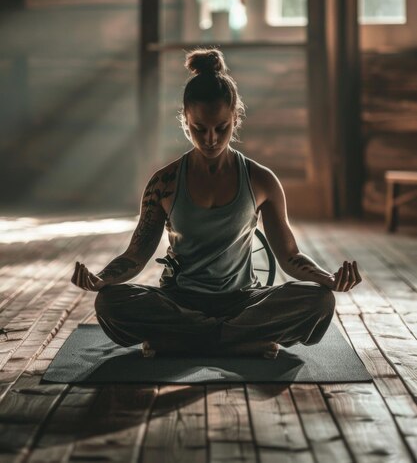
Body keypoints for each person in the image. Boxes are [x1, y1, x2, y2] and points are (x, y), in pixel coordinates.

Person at [71, 46, 362, 359]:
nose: (210, 138)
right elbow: (135, 256)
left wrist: (329, 279)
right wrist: (102, 279)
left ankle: (185, 341)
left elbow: (290, 256)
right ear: (185, 120)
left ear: (235, 119)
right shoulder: (163, 183)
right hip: (179, 302)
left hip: (243, 301)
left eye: (221, 128)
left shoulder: (261, 180)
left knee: (319, 300)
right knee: (109, 302)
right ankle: (239, 341)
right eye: (199, 129)